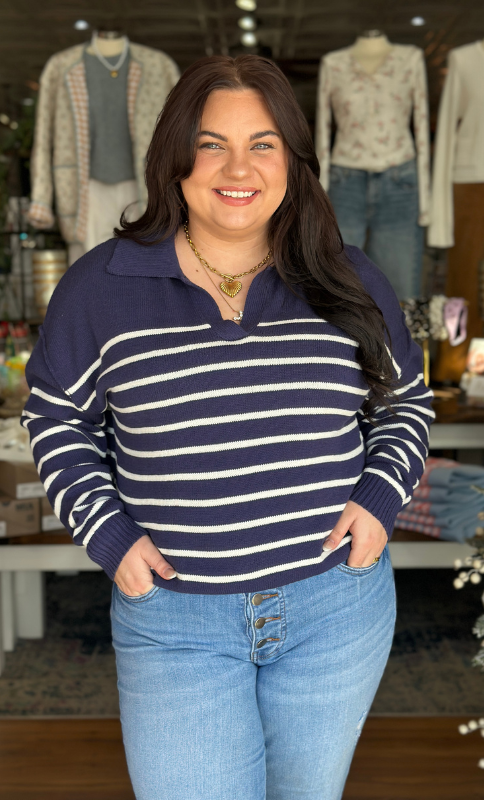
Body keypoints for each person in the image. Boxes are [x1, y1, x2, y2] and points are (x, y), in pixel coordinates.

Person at [22, 54, 434, 800]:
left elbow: (406, 401)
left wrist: (379, 499)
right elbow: (55, 417)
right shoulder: (100, 288)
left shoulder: (348, 276)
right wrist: (110, 538)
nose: (236, 166)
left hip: (334, 610)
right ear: (175, 156)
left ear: (293, 160)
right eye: (212, 143)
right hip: (177, 622)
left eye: (263, 143)